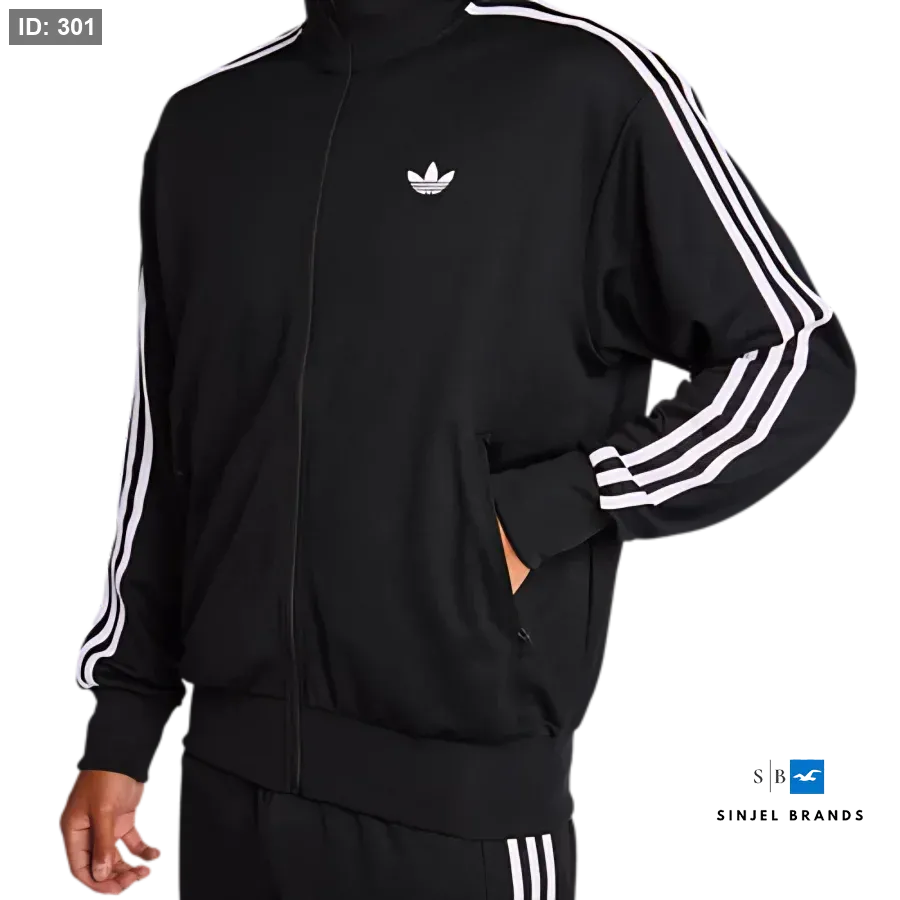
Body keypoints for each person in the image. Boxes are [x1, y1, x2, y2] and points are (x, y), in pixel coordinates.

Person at [58, 1, 860, 897]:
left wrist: (539, 513)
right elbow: (164, 444)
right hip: (222, 801)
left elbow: (797, 360)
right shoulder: (203, 124)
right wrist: (120, 728)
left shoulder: (580, 86)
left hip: (459, 812)